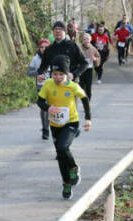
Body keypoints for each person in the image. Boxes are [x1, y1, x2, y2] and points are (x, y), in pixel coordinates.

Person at [37, 55, 92, 199]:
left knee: (62, 147)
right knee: (61, 156)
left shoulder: (72, 86)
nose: (57, 77)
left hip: (71, 123)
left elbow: (85, 98)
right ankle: (66, 183)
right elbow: (40, 101)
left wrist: (88, 118)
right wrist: (48, 107)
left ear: (67, 74)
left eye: (61, 74)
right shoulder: (48, 84)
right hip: (55, 125)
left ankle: (74, 168)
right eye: (55, 74)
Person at [27, 39, 51, 139]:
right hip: (41, 86)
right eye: (41, 47)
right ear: (39, 48)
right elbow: (29, 72)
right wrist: (38, 73)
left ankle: (48, 127)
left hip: (51, 85)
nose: (43, 49)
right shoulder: (35, 59)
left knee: (50, 107)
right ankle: (45, 129)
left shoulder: (53, 57)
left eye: (46, 47)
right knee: (43, 108)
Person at [80, 33, 100, 99]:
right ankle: (84, 99)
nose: (86, 40)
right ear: (82, 40)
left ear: (90, 40)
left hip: (89, 70)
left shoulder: (93, 49)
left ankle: (88, 100)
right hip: (81, 70)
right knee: (81, 86)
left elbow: (98, 58)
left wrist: (95, 59)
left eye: (87, 39)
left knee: (88, 86)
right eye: (84, 39)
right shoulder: (79, 48)